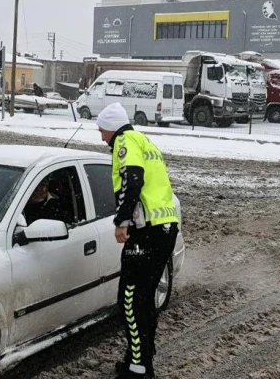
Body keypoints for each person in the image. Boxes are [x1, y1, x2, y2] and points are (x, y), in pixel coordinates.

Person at [96, 102, 179, 379]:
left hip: (148, 231)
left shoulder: (125, 140)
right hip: (166, 228)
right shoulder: (144, 140)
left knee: (130, 299)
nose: (101, 137)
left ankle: (138, 368)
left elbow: (133, 181)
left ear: (110, 127)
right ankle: (141, 361)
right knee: (143, 299)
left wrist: (122, 221)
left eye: (101, 131)